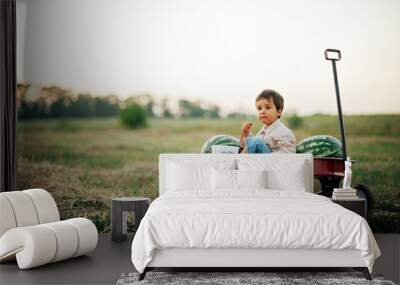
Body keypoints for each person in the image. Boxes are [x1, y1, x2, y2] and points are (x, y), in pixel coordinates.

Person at [240, 89, 296, 153]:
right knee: (254, 141)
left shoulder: (283, 132)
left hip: (273, 161)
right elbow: (252, 147)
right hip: (259, 160)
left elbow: (288, 154)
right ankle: (235, 157)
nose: (262, 111)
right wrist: (247, 134)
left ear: (279, 111)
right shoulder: (262, 131)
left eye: (268, 107)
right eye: (259, 108)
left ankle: (238, 160)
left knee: (257, 142)